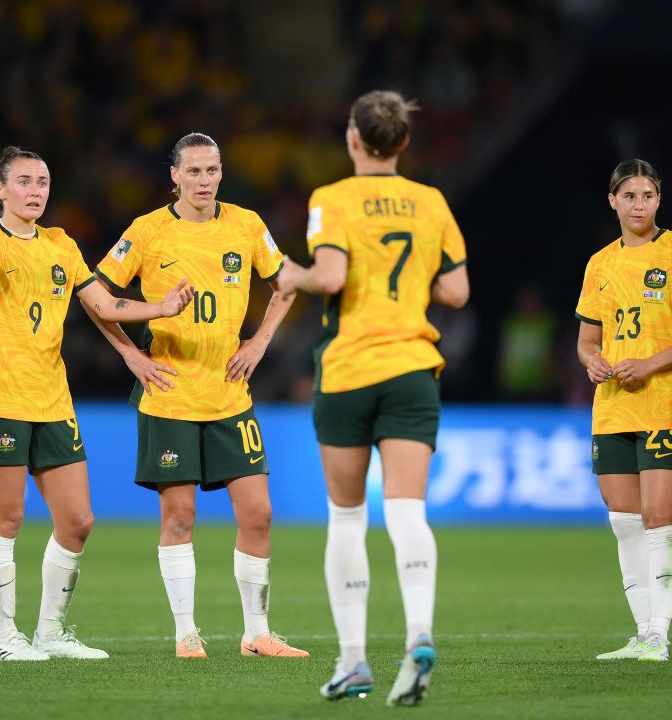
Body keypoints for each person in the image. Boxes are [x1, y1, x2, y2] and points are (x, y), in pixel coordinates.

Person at [0, 147, 194, 662]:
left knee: (78, 519)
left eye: (43, 182)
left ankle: (50, 633)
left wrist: (162, 308)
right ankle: (3, 638)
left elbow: (104, 304)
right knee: (8, 517)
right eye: (24, 182)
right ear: (0, 189)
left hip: (53, 399)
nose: (35, 191)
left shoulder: (61, 245)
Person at [276, 90, 469, 706]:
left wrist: (293, 274)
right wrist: (409, 289)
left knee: (347, 517)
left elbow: (329, 277)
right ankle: (417, 633)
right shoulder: (430, 201)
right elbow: (458, 291)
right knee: (409, 512)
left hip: (351, 369)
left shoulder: (331, 199)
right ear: (403, 143)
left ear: (355, 139)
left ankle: (354, 660)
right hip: (413, 367)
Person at [93, 132, 307, 660]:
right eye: (193, 171)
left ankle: (257, 632)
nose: (205, 181)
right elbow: (98, 297)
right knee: (180, 516)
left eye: (212, 170)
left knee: (258, 512)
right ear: (174, 176)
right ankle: (186, 632)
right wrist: (131, 355)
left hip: (231, 394)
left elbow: (287, 285)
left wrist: (258, 342)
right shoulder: (147, 232)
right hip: (169, 394)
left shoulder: (247, 224)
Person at [574, 160, 672, 663]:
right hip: (611, 408)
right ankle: (641, 632)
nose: (639, 204)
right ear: (612, 200)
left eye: (648, 195)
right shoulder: (599, 264)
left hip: (665, 402)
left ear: (659, 200)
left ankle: (659, 634)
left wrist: (651, 364)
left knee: (660, 519)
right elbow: (586, 340)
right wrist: (593, 362)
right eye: (629, 195)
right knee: (625, 522)